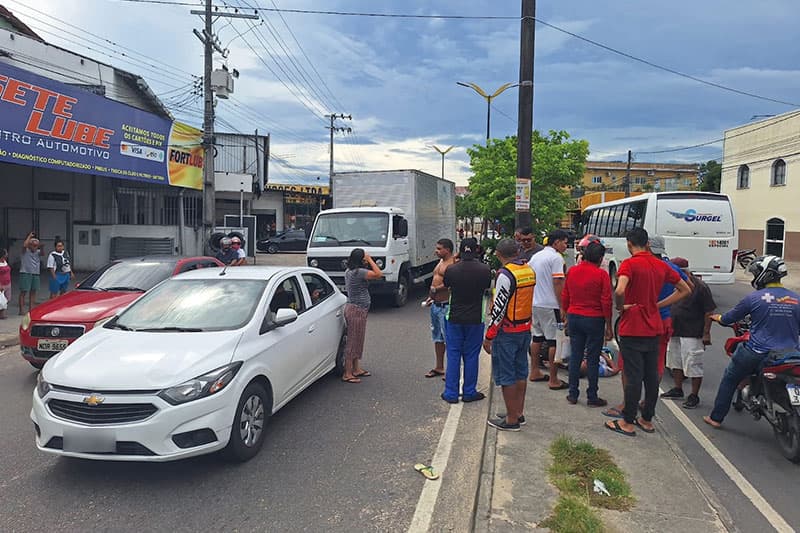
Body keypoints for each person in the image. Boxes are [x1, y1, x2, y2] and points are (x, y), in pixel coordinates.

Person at [604, 227, 690, 437]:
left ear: (629, 244)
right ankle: (647, 419)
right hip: (655, 326)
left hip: (633, 326)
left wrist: (620, 306)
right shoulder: (661, 265)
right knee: (652, 376)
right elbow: (686, 289)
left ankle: (627, 421)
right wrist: (658, 305)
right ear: (648, 244)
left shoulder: (629, 265)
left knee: (633, 376)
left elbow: (620, 290)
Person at [704, 256, 800, 429]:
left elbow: (728, 318)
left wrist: (717, 317)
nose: (754, 276)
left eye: (756, 273)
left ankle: (716, 418)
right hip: (790, 353)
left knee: (730, 378)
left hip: (757, 352)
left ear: (765, 274)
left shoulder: (755, 298)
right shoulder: (796, 299)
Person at [483, 238, 535, 431]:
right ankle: (518, 413)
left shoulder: (505, 274)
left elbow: (500, 308)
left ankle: (511, 420)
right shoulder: (527, 271)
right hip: (524, 328)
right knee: (521, 371)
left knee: (507, 376)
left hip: (507, 332)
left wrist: (489, 336)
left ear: (498, 254)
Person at [562, 237, 613, 407]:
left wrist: (566, 316)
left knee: (575, 356)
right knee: (592, 358)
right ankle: (592, 396)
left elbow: (565, 296)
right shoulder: (601, 275)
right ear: (600, 259)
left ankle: (573, 393)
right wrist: (609, 325)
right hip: (594, 319)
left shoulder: (573, 272)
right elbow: (606, 301)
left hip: (575, 316)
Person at [441, 237, 492, 403]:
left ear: (460, 251)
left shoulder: (452, 270)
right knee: (471, 355)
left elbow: (447, 285)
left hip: (454, 316)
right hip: (475, 317)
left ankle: (451, 393)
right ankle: (469, 391)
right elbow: (486, 288)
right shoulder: (484, 270)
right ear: (477, 250)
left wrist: (455, 261)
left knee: (454, 354)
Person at [662, 257, 716, 409]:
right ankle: (677, 389)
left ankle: (694, 395)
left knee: (693, 363)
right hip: (674, 330)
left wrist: (706, 333)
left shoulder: (700, 287)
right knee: (674, 361)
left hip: (692, 332)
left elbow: (709, 311)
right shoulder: (671, 284)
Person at [528, 229, 569, 389]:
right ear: (556, 242)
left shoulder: (536, 256)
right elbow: (558, 282)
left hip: (535, 303)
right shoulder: (556, 258)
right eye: (564, 242)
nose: (566, 245)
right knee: (554, 341)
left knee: (537, 337)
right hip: (550, 304)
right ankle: (553, 379)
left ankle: (534, 371)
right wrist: (562, 306)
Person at [647, 235, 690, 381]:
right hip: (665, 317)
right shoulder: (672, 267)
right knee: (658, 361)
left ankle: (632, 399)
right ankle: (650, 399)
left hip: (645, 318)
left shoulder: (646, 265)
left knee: (637, 361)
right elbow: (689, 287)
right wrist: (668, 301)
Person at [341, 248, 382, 384]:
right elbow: (378, 274)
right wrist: (370, 260)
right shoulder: (359, 272)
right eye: (364, 258)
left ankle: (356, 368)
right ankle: (347, 372)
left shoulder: (349, 271)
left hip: (356, 308)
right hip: (357, 310)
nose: (366, 259)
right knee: (353, 341)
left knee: (358, 339)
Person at [424, 239, 456, 379]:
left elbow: (451, 284)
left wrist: (435, 289)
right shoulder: (440, 262)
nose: (436, 251)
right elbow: (435, 280)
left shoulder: (453, 264)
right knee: (437, 338)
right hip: (435, 305)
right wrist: (431, 296)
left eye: (439, 249)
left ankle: (451, 369)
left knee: (449, 339)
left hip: (446, 305)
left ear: (447, 250)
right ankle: (439, 367)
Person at [19, 232, 43, 314]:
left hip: (35, 273)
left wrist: (41, 247)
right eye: (33, 245)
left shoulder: (38, 252)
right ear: (29, 245)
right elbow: (24, 245)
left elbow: (43, 253)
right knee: (24, 291)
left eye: (36, 245)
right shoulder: (25, 251)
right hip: (25, 272)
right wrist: (29, 236)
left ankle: (31, 309)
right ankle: (21, 310)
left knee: (33, 291)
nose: (35, 247)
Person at [0, 248, 10, 319]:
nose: (7, 254)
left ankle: (3, 313)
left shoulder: (5, 262)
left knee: (6, 299)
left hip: (8, 283)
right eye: (6, 253)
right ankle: (1, 314)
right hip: (1, 283)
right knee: (1, 300)